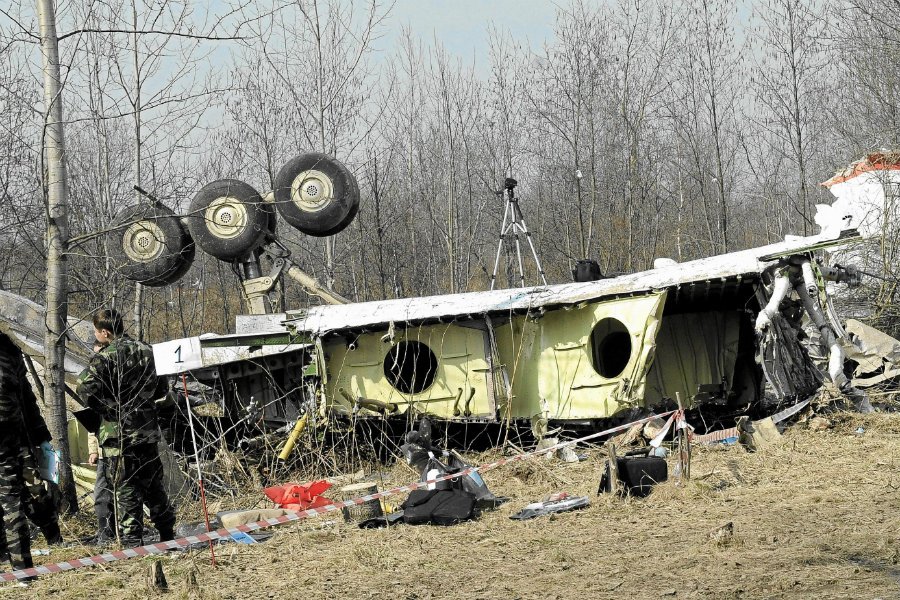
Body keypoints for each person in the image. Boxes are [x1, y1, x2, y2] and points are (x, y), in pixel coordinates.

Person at [76, 308, 176, 547]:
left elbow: (83, 388)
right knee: (153, 485)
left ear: (105, 332)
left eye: (96, 332)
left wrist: (110, 409)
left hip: (118, 434)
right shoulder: (147, 350)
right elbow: (162, 389)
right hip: (147, 431)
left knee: (127, 487)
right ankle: (167, 533)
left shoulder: (106, 357)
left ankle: (132, 541)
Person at [0, 332, 60, 575]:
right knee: (12, 498)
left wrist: (41, 437)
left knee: (27, 494)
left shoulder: (7, 347)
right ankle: (16, 563)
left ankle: (51, 536)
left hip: (16, 439)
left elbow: (26, 397)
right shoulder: (8, 346)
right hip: (14, 436)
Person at [80, 343, 116, 545]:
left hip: (121, 448)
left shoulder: (119, 380)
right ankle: (105, 533)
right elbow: (92, 422)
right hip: (104, 452)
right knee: (102, 494)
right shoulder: (95, 384)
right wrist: (93, 450)